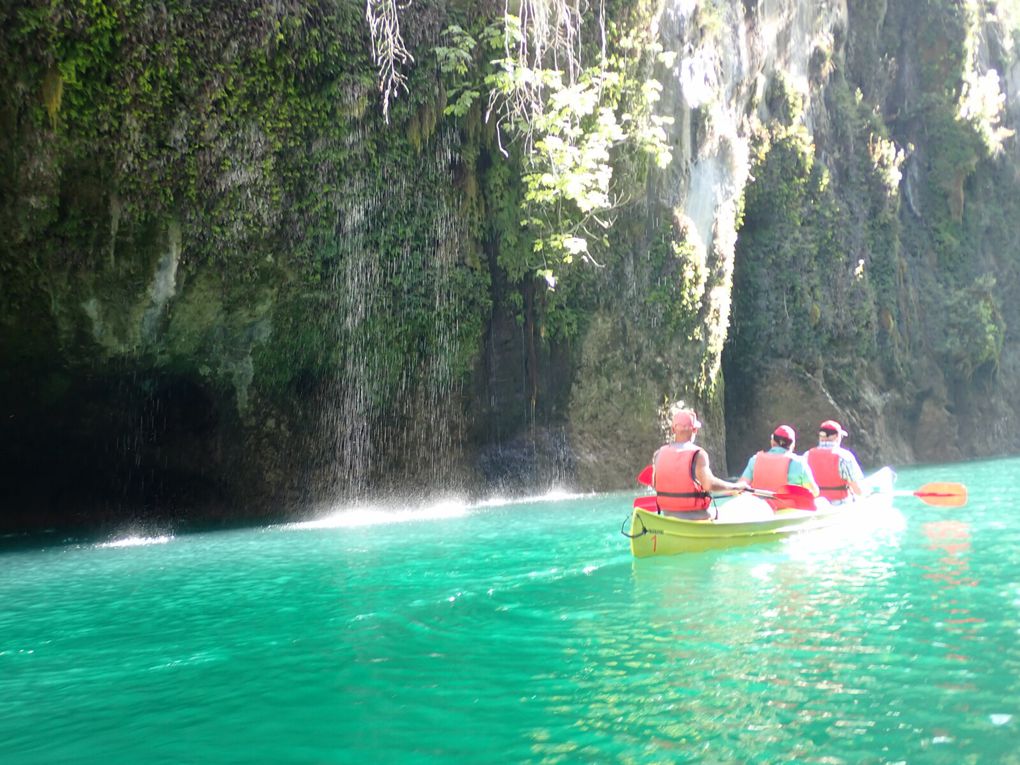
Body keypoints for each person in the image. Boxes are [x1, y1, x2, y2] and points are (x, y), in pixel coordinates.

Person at [652, 409, 746, 519]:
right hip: (697, 518)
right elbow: (709, 485)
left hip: (669, 516)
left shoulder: (659, 454)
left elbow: (655, 484)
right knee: (735, 512)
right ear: (695, 430)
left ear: (673, 430)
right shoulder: (698, 455)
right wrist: (735, 487)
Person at [740, 425, 820, 502]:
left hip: (761, 509)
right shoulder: (799, 462)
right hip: (790, 510)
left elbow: (740, 487)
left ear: (772, 442)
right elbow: (814, 492)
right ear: (793, 445)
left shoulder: (754, 460)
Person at [804, 420, 864, 503]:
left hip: (814, 504)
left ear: (820, 437)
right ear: (836, 436)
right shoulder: (845, 456)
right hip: (840, 503)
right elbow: (858, 490)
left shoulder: (806, 456)